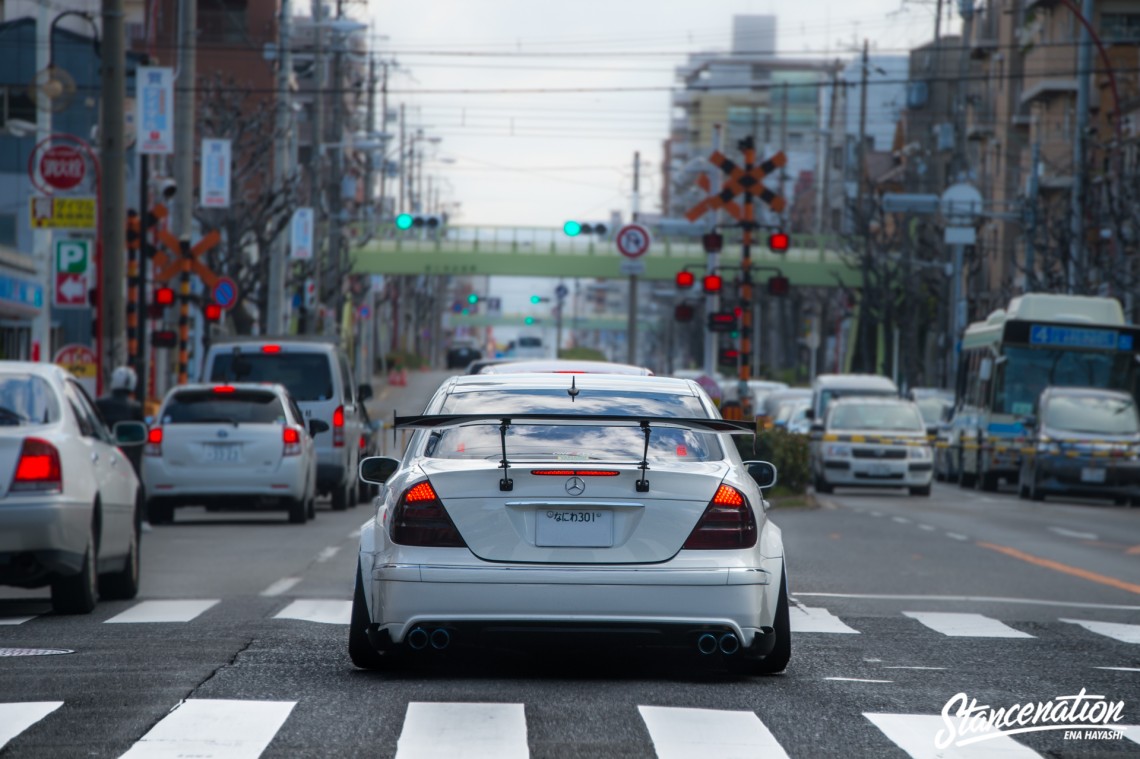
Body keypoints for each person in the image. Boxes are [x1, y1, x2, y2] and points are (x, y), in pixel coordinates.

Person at [95, 366, 149, 529]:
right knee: (137, 479)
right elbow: (141, 430)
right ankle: (141, 518)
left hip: (103, 448)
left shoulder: (99, 403)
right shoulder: (134, 406)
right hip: (128, 451)